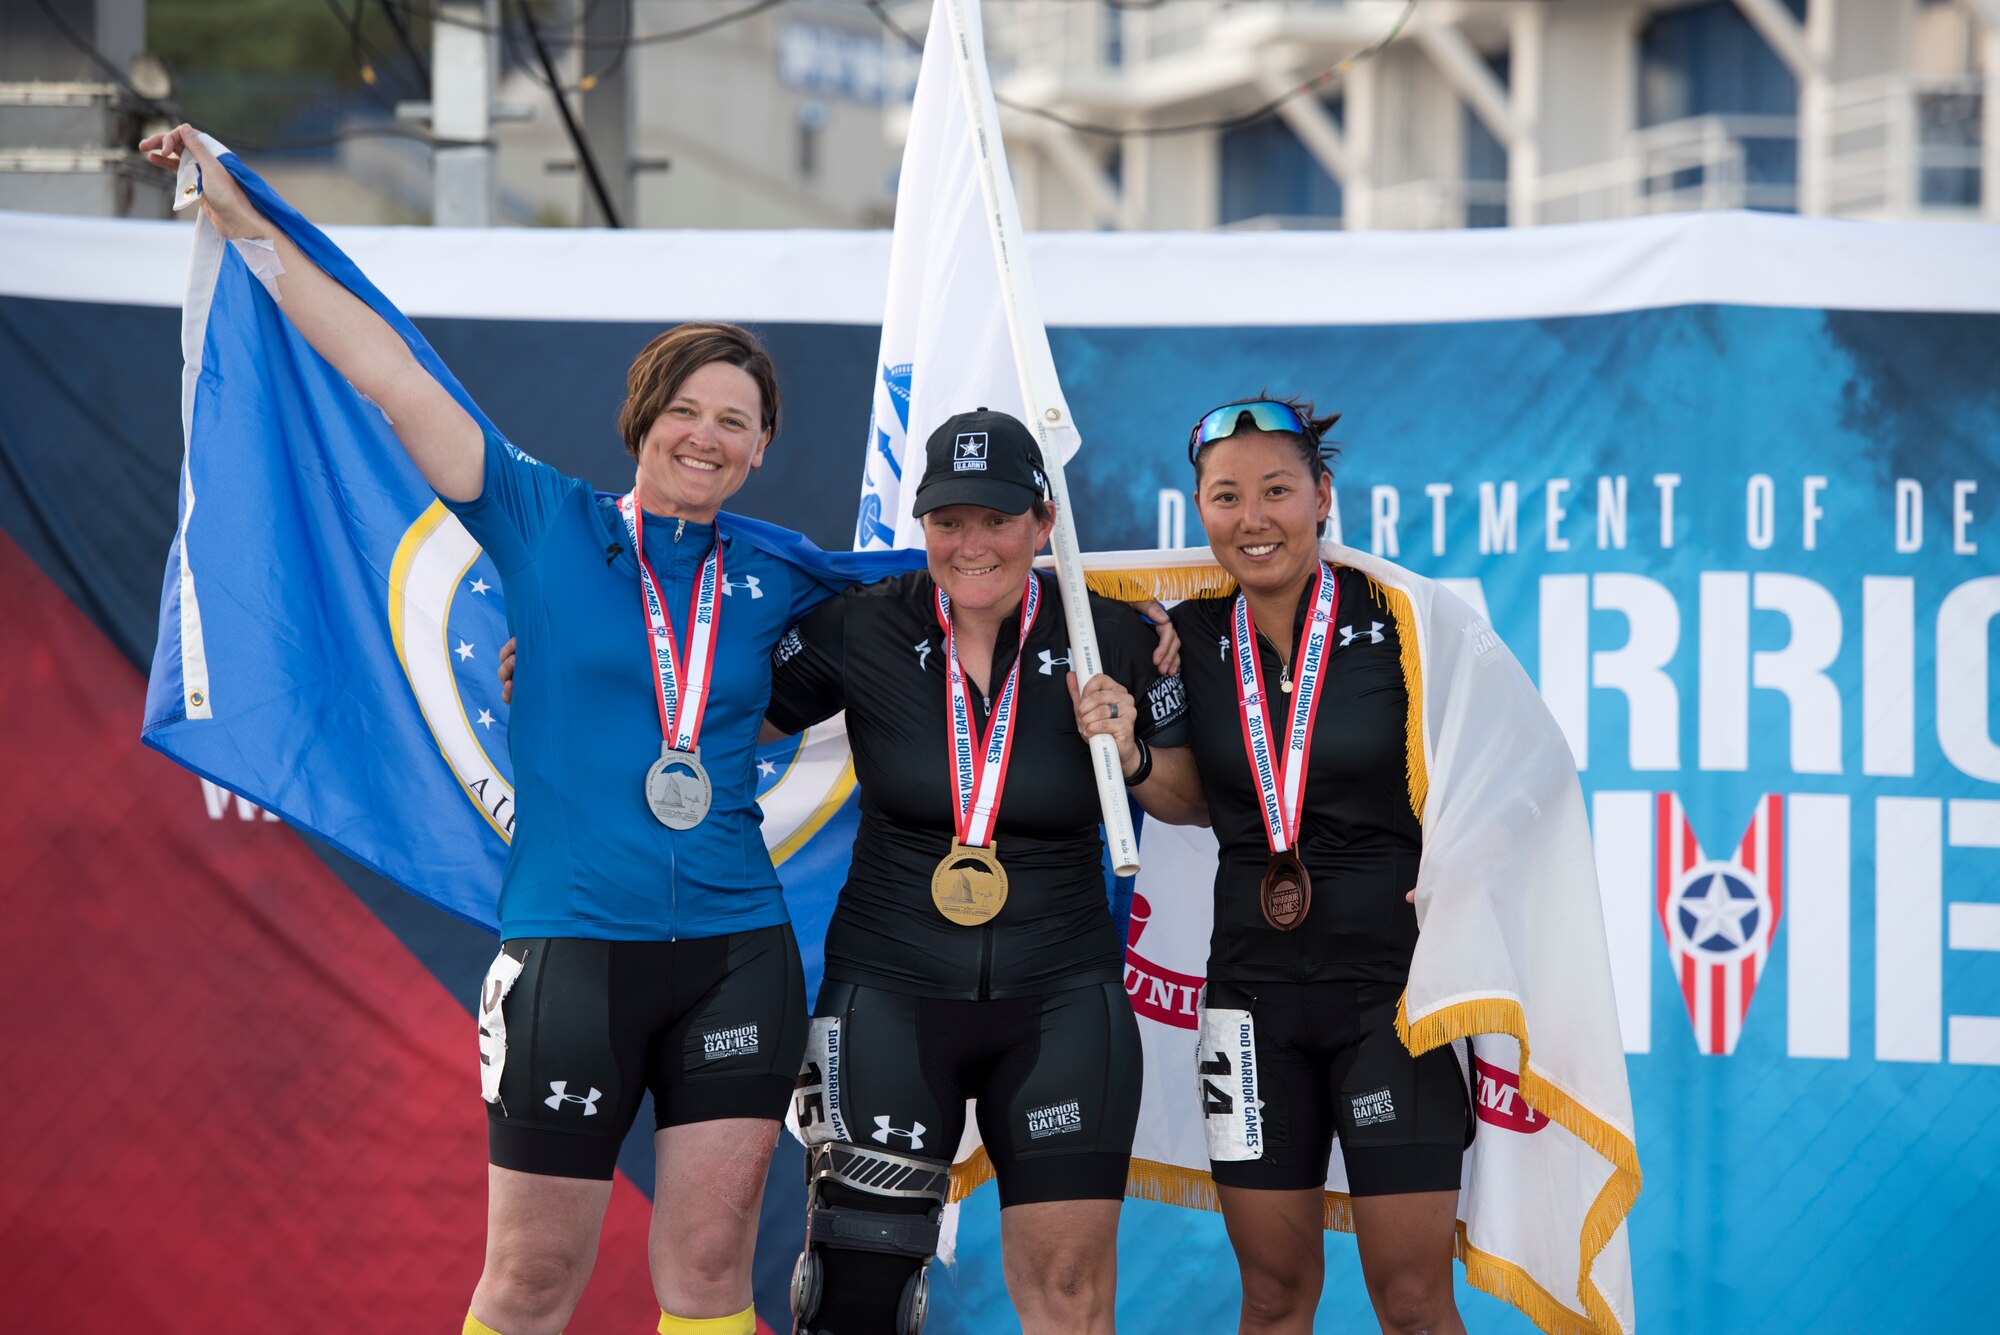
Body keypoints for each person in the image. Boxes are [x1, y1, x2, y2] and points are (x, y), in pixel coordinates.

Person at [142, 125, 915, 1335]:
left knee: (713, 1279)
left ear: (763, 449)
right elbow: (392, 379)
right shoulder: (542, 520)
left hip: (737, 957)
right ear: (643, 418)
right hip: (570, 957)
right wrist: (247, 223)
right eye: (688, 411)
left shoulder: (782, 571)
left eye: (736, 422)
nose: (707, 437)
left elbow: (965, 586)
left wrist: (1139, 622)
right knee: (529, 1283)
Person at [764, 408, 1202, 1335]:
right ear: (920, 524)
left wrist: (1128, 752)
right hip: (887, 991)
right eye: (948, 519)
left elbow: (1191, 797)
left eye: (998, 519)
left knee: (1070, 1294)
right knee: (855, 1292)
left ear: (1043, 524)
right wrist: (571, 670)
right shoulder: (860, 627)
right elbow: (723, 713)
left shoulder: (1113, 637)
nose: (973, 544)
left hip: (1059, 1003)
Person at [1143, 398, 1473, 1335]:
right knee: (1273, 1297)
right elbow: (1191, 797)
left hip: (1391, 1000)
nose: (1254, 518)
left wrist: (1467, 872)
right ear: (1199, 509)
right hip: (1248, 1004)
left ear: (1324, 496)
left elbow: (1508, 767)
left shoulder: (1406, 621)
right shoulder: (1190, 639)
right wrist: (1132, 751)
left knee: (1411, 1302)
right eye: (1227, 496)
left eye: (1278, 490)